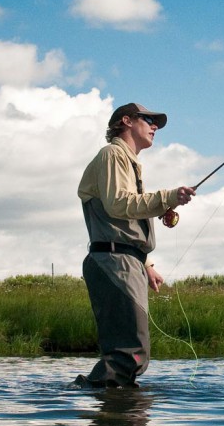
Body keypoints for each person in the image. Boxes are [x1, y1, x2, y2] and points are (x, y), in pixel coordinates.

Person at [73, 102, 196, 388]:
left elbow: (123, 219)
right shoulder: (112, 154)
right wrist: (167, 198)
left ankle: (118, 410)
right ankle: (109, 412)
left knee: (132, 353)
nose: (155, 126)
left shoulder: (128, 162)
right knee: (129, 354)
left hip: (126, 261)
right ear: (126, 121)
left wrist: (146, 264)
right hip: (114, 262)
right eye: (149, 119)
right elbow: (119, 204)